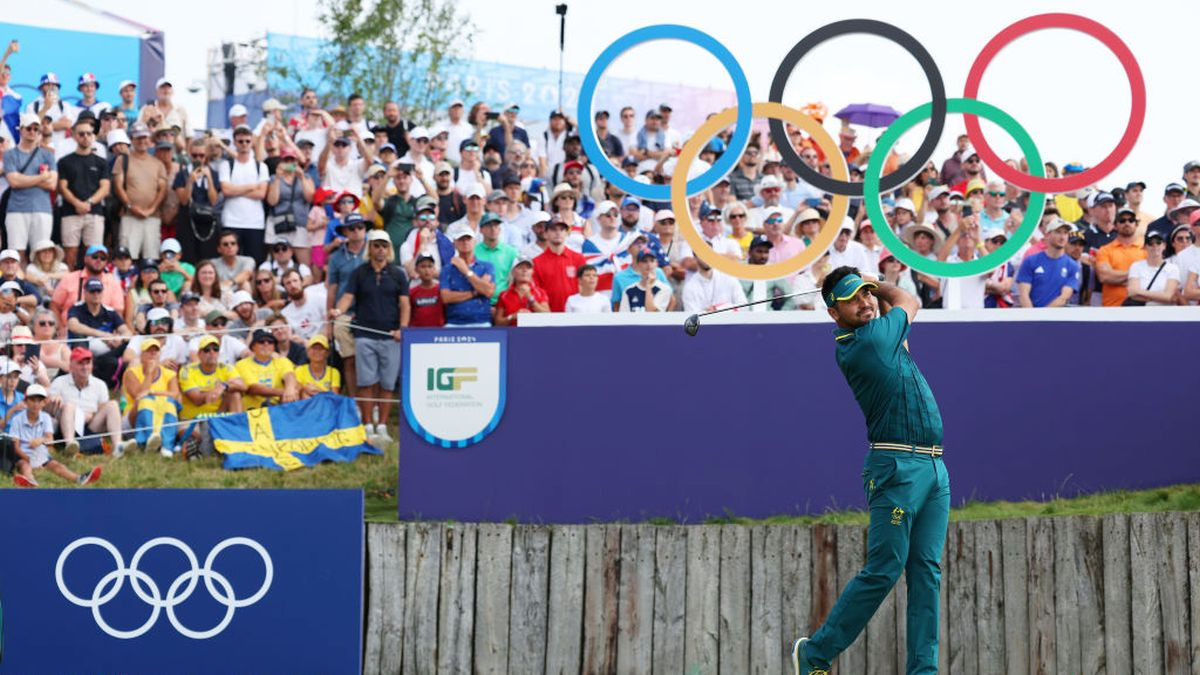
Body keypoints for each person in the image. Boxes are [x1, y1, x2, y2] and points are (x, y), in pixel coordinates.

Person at [793, 267, 948, 675]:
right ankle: (816, 653)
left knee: (926, 573)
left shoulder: (882, 334)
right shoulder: (868, 342)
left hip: (933, 465)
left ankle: (924, 671)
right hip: (897, 467)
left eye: (865, 294)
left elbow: (893, 314)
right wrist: (879, 284)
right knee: (884, 568)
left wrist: (868, 288)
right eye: (852, 298)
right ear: (833, 313)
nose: (864, 302)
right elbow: (909, 301)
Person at [332, 230, 410, 442]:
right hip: (364, 334)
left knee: (386, 384)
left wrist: (402, 328)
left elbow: (404, 303)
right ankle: (367, 425)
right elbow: (348, 297)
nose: (380, 249)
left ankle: (382, 426)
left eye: (384, 246)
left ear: (389, 249)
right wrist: (339, 311)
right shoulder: (360, 273)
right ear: (371, 248)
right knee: (366, 383)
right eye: (376, 245)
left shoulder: (398, 274)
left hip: (390, 335)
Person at [8, 384, 102, 487]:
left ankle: (79, 478)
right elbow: (15, 447)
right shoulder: (17, 420)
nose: (36, 404)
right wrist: (29, 459)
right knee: (25, 466)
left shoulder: (46, 417)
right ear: (26, 402)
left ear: (44, 403)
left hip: (41, 454)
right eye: (32, 400)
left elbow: (50, 438)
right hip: (22, 455)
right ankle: (30, 480)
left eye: (39, 401)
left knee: (57, 465)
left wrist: (41, 440)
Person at [56, 116, 110, 269]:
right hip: (70, 212)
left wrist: (89, 203)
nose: (85, 137)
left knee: (95, 255)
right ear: (74, 136)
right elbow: (62, 187)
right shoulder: (65, 161)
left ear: (93, 135)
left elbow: (105, 187)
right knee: (70, 254)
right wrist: (77, 203)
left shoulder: (101, 162)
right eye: (81, 134)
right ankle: (72, 288)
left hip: (95, 212)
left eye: (89, 133)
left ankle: (92, 286)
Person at [4, 113, 57, 263]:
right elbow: (14, 181)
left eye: (36, 129)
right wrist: (41, 178)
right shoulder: (10, 154)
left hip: (42, 209)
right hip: (17, 209)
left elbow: (52, 184)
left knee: (40, 254)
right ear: (21, 130)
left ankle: (36, 285)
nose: (32, 132)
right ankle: (18, 284)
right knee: (16, 253)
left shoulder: (47, 155)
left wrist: (23, 179)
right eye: (29, 128)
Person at [111, 122, 167, 261]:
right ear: (132, 140)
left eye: (144, 137)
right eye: (138, 138)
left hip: (152, 217)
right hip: (129, 215)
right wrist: (130, 206)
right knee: (127, 258)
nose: (142, 141)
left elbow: (162, 189)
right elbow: (118, 186)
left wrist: (152, 209)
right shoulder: (123, 160)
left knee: (151, 257)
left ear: (149, 139)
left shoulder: (158, 163)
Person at [120, 337, 182, 456]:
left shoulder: (169, 374)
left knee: (169, 403)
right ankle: (147, 439)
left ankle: (165, 444)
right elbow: (138, 395)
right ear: (141, 356)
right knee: (145, 401)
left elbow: (175, 394)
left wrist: (152, 392)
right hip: (133, 418)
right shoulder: (131, 373)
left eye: (156, 351)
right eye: (149, 351)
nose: (153, 353)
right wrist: (149, 373)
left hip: (160, 413)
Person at [1016, 219, 1082, 308]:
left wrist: (1043, 316)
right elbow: (1023, 294)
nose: (1062, 237)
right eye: (1058, 232)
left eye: (1065, 233)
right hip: (1032, 315)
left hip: (1056, 318)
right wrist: (1033, 317)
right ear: (1047, 235)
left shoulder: (1072, 266)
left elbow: (1064, 297)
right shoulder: (1031, 261)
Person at [440, 223, 496, 327]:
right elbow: (446, 297)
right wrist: (475, 292)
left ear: (474, 242)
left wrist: (466, 271)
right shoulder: (447, 269)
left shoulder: (486, 266)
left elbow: (488, 292)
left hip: (481, 321)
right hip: (454, 323)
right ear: (454, 244)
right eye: (461, 239)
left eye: (468, 239)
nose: (465, 242)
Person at [533, 217, 588, 312]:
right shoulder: (537, 262)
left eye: (562, 229)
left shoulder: (579, 259)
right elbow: (537, 293)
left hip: (575, 314)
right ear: (546, 234)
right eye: (553, 229)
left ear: (567, 233)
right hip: (549, 316)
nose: (558, 233)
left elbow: (585, 287)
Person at [235, 329, 299, 410]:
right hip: (254, 410)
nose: (266, 344)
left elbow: (289, 375)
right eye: (261, 341)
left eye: (270, 342)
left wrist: (290, 389)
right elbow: (253, 388)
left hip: (278, 406)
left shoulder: (282, 361)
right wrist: (285, 392)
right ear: (253, 347)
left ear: (274, 347)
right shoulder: (242, 364)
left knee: (297, 389)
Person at [1095, 206, 1147, 306]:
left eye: (1131, 220)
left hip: (1140, 309)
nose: (1127, 223)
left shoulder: (1146, 249)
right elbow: (1104, 277)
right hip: (1112, 308)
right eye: (1122, 220)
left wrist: (1116, 277)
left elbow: (1150, 277)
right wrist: (1136, 276)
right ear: (1115, 225)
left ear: (1136, 224)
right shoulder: (1105, 250)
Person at [1125, 231, 1180, 306]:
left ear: (1164, 246)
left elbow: (1168, 296)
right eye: (1150, 243)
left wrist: (1139, 292)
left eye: (1158, 242)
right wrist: (1161, 296)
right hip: (1142, 314)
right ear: (1145, 247)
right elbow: (1132, 293)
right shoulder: (1136, 266)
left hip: (1166, 314)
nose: (1155, 246)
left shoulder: (1173, 268)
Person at [681, 251, 747, 313]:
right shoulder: (689, 287)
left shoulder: (729, 278)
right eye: (703, 255)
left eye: (710, 254)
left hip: (731, 323)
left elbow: (744, 306)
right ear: (695, 258)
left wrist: (718, 308)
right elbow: (692, 317)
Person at [494, 257, 548, 325]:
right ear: (513, 272)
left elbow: (547, 316)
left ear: (532, 272)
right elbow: (498, 323)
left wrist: (530, 298)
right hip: (512, 333)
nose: (524, 270)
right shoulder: (504, 295)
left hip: (535, 333)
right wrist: (513, 316)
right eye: (520, 267)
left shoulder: (540, 292)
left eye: (528, 268)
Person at [409, 255, 445, 327]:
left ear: (434, 269)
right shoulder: (411, 292)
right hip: (417, 333)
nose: (427, 270)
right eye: (423, 266)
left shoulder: (442, 290)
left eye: (430, 266)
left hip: (439, 333)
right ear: (416, 269)